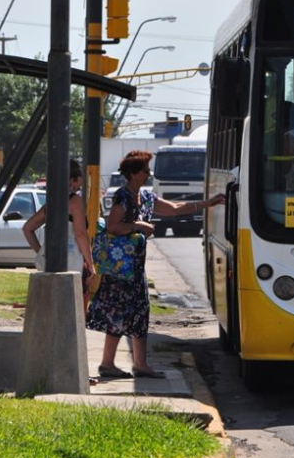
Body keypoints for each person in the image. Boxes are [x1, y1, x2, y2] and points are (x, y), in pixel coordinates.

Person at [87, 150, 225, 380]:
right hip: (121, 269)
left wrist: (207, 203)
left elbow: (174, 208)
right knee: (121, 315)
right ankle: (113, 364)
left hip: (135, 269)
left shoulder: (147, 197)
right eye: (144, 170)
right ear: (132, 174)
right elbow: (113, 226)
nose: (148, 174)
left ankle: (134, 364)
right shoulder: (123, 196)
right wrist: (139, 225)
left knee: (137, 314)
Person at [22, 159, 96, 315]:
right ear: (72, 179)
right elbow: (81, 234)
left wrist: (41, 251)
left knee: (49, 309)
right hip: (71, 263)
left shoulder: (50, 202)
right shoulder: (74, 201)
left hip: (47, 261)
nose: (79, 188)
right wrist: (90, 264)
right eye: (78, 183)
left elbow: (28, 228)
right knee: (70, 311)